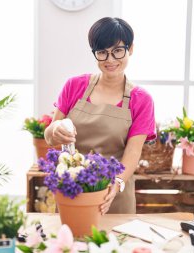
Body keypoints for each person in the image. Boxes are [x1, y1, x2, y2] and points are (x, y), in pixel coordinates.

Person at [44, 17, 156, 214]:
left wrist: (118, 182)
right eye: (102, 52)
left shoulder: (141, 99)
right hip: (73, 190)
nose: (110, 60)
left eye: (118, 51)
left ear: (130, 49)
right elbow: (49, 136)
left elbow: (133, 152)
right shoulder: (74, 86)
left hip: (114, 194)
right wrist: (55, 130)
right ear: (94, 54)